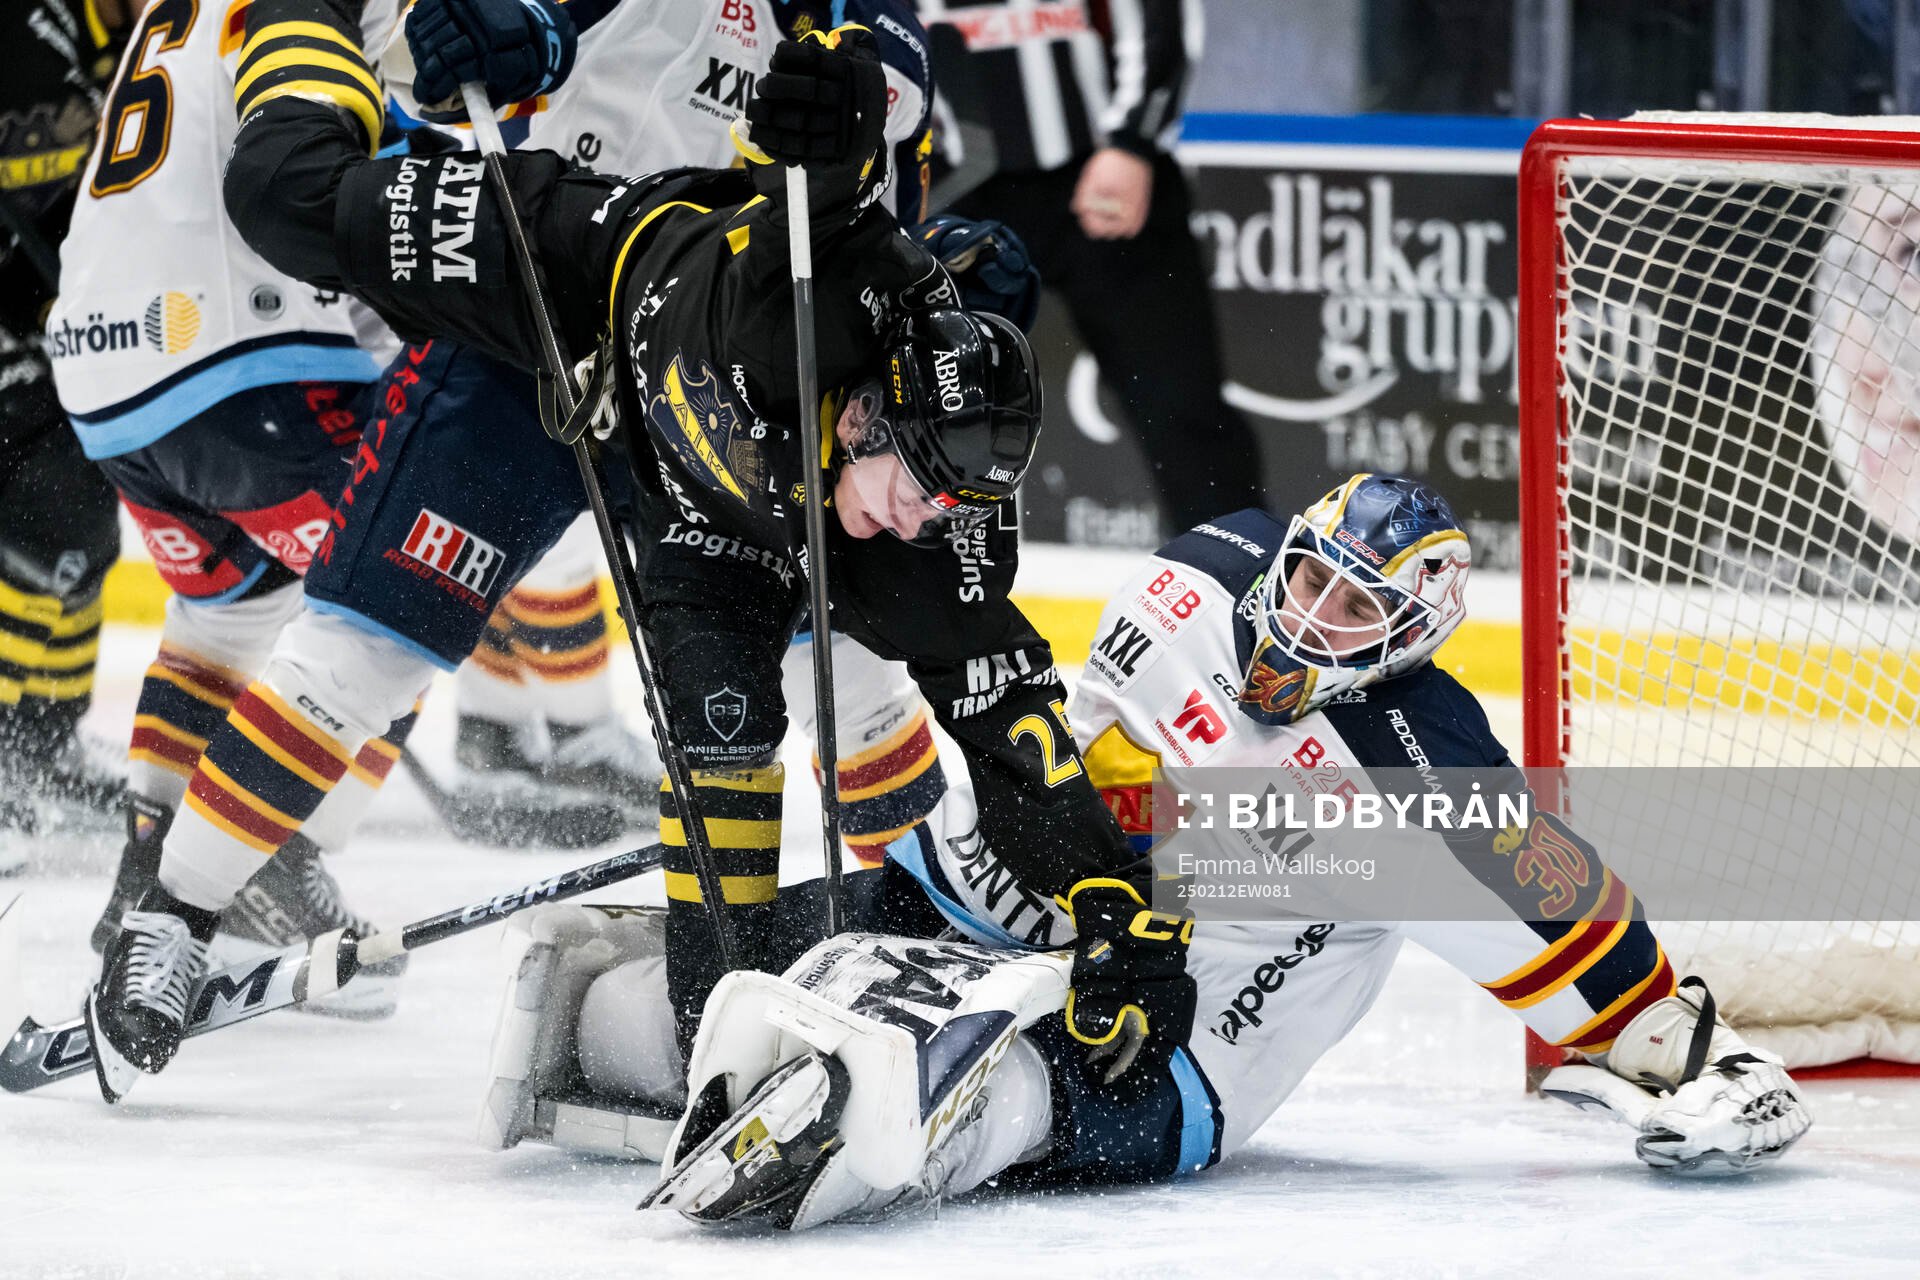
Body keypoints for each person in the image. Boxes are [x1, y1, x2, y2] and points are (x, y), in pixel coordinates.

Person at [79, 3, 1140, 1105]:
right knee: (368, 641)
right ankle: (175, 911)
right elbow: (435, 71)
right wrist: (466, 45)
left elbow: (883, 211)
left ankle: (923, 927)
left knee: (855, 680)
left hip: (755, 392)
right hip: (553, 298)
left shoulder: (876, 26)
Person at [483, 474, 1812, 1226]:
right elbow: (1066, 752)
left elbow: (1587, 944)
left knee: (983, 1100)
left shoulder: (1427, 773)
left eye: (1360, 607)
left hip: (1191, 1034)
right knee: (637, 1022)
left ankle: (916, 1119)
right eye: (1312, 579)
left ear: (1414, 635)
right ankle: (677, 1031)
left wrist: (1701, 1055)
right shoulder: (1197, 572)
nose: (1315, 617)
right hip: (998, 897)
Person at [914, 0, 1264, 533]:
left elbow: (1159, 18)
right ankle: (903, 598)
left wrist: (1133, 142)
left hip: (1102, 171)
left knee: (1184, 406)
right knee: (927, 407)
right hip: (950, 191)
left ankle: (1235, 578)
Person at [0, 0, 135, 847]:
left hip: (49, 299)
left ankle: (42, 744)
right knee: (39, 520)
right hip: (20, 300)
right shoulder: (23, 28)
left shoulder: (127, 30)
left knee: (84, 510)